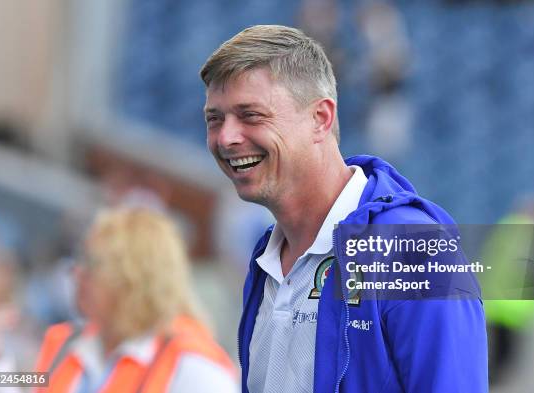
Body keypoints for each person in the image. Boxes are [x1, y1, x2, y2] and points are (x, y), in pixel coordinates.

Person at [200, 25, 487, 393]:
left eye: (251, 115)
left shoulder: (413, 248)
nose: (227, 137)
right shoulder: (266, 259)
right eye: (215, 119)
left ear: (321, 118)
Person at [35, 207, 237, 392]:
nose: (77, 271)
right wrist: (1, 365)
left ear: (132, 278)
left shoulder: (194, 368)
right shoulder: (64, 341)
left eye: (92, 263)